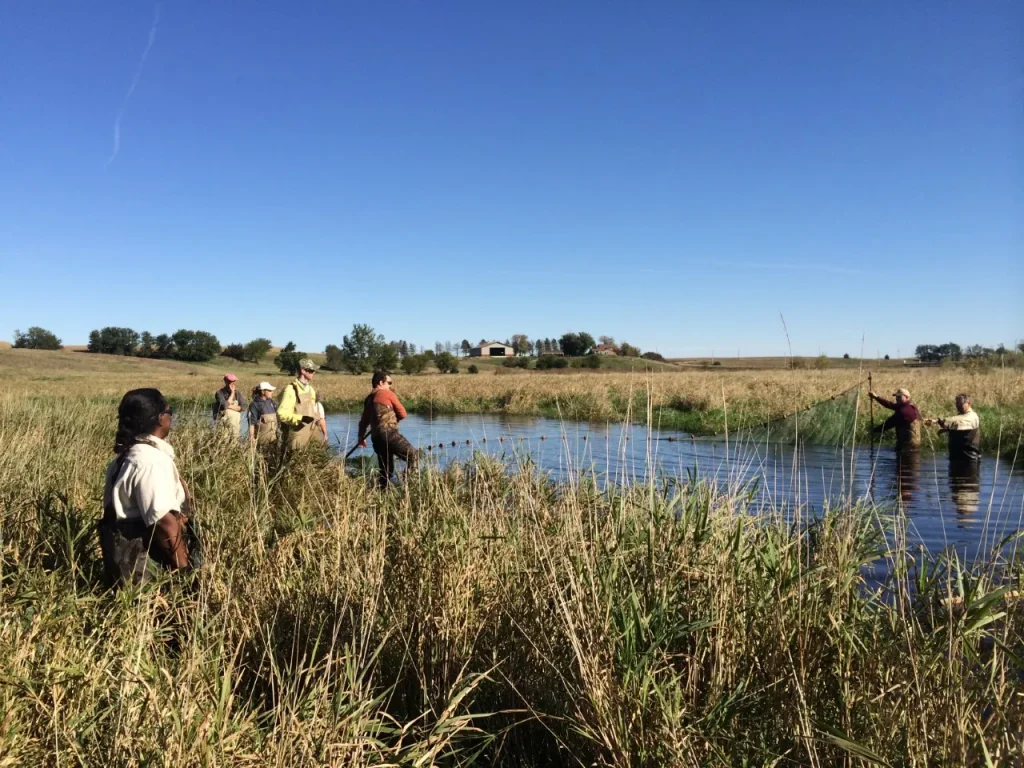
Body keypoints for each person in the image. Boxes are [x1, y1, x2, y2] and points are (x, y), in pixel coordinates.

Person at [99, 388, 194, 585]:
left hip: (125, 562)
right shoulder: (149, 460)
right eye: (170, 412)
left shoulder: (126, 456)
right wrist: (187, 575)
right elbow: (163, 522)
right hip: (146, 568)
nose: (171, 417)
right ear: (160, 418)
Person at [357, 370, 417, 489]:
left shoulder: (368, 399)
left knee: (386, 469)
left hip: (376, 438)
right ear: (381, 382)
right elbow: (403, 413)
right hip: (389, 434)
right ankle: (409, 486)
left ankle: (382, 492)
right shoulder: (387, 394)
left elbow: (363, 422)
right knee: (413, 455)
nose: (390, 385)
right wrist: (395, 418)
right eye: (389, 382)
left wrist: (361, 437)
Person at [277, 358, 321, 451]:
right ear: (303, 371)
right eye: (312, 370)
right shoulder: (290, 389)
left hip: (312, 432)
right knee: (296, 460)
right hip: (298, 434)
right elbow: (281, 414)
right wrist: (301, 418)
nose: (314, 373)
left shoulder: (311, 389)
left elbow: (313, 409)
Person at [926, 393, 981, 462]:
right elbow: (959, 426)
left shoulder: (972, 416)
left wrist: (940, 421)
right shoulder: (962, 415)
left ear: (969, 403)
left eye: (960, 404)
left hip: (969, 460)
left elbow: (958, 421)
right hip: (957, 459)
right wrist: (942, 427)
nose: (957, 406)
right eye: (956, 404)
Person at [212, 374, 247, 439]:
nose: (233, 383)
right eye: (230, 381)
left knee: (235, 442)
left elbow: (244, 407)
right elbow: (224, 406)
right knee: (222, 442)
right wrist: (232, 393)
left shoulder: (238, 393)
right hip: (223, 424)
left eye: (234, 381)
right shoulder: (219, 393)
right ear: (225, 381)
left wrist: (230, 406)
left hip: (235, 425)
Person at [247, 381, 279, 447]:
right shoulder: (254, 405)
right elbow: (251, 424)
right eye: (270, 390)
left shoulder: (272, 403)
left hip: (274, 440)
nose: (272, 392)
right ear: (263, 392)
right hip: (262, 442)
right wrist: (252, 439)